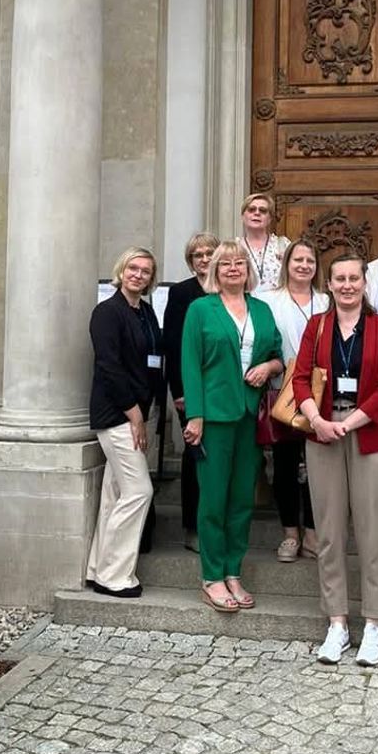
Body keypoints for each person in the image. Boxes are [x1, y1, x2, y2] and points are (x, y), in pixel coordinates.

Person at [294, 254, 378, 667]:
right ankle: (337, 622)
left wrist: (350, 422)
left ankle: (373, 624)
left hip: (368, 430)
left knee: (373, 530)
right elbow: (301, 377)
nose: (347, 285)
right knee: (330, 531)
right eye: (340, 278)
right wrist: (318, 420)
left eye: (354, 278)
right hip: (322, 431)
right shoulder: (316, 326)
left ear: (364, 282)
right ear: (330, 284)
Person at [181, 241, 283, 613]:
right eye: (226, 264)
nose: (234, 268)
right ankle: (212, 576)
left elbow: (277, 356)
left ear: (248, 271)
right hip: (214, 416)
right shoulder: (200, 309)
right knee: (213, 498)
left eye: (240, 263)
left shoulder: (262, 309)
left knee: (242, 498)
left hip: (249, 414)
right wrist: (195, 415)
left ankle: (233, 571)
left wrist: (269, 368)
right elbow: (189, 363)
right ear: (215, 271)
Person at [86, 247, 164, 598]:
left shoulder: (146, 313)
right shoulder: (107, 312)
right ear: (121, 270)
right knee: (138, 491)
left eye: (146, 271)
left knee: (114, 492)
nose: (138, 275)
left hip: (139, 409)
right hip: (116, 413)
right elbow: (109, 366)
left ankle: (96, 569)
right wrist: (135, 414)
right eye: (133, 268)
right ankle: (114, 576)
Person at [256, 239, 329, 562]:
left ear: (316, 266)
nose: (303, 265)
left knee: (319, 466)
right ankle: (290, 533)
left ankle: (313, 532)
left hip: (323, 393)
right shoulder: (268, 301)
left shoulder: (327, 300)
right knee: (285, 465)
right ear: (286, 264)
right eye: (297, 259)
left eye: (309, 260)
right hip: (282, 391)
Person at [162, 232, 219, 553]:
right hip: (191, 389)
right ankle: (192, 528)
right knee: (194, 456)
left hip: (222, 388)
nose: (204, 258)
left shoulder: (229, 289)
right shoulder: (182, 293)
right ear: (191, 260)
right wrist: (179, 391)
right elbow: (172, 343)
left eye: (209, 252)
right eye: (197, 254)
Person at [238, 191, 291, 292]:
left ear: (270, 218)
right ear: (243, 216)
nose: (257, 213)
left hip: (278, 304)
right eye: (251, 210)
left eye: (263, 210)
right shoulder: (235, 247)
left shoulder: (283, 245)